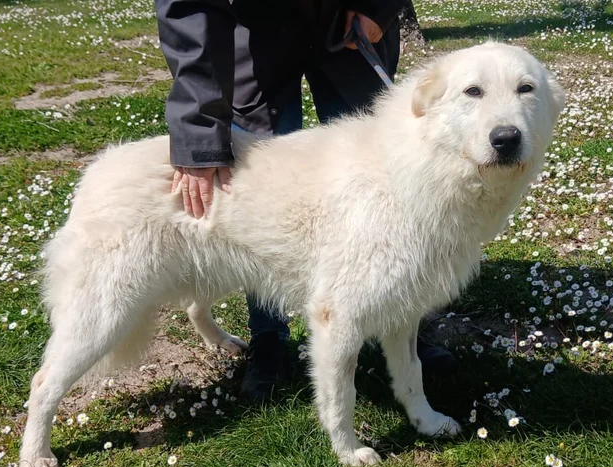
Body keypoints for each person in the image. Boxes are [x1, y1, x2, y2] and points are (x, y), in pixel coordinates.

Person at [156, 0, 457, 402]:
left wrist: (378, 7)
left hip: (349, 22)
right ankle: (269, 337)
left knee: (381, 179)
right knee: (264, 193)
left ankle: (397, 327)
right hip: (257, 27)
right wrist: (198, 131)